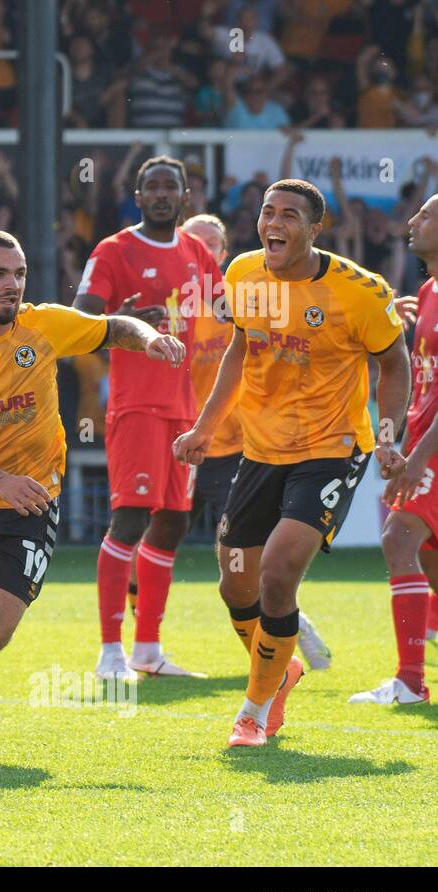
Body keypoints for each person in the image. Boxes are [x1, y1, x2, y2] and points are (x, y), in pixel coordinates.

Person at [0, 229, 186, 762]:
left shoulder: (44, 324)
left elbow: (111, 327)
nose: (13, 285)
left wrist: (148, 339)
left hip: (29, 509)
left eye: (20, 273)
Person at [174, 179, 411, 747]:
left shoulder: (359, 290)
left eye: (289, 215)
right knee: (236, 585)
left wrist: (386, 435)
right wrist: (205, 428)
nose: (273, 223)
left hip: (331, 450)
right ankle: (281, 669)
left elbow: (394, 364)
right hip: (259, 448)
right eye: (266, 212)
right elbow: (239, 348)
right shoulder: (242, 274)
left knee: (277, 573)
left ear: (314, 229)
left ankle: (254, 711)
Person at [73, 156, 220, 681]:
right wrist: (129, 318)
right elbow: (81, 314)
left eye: (171, 187)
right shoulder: (115, 249)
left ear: (185, 197)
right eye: (151, 186)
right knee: (132, 517)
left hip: (185, 410)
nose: (161, 194)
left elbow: (225, 313)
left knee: (174, 522)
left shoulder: (199, 252)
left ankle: (148, 649)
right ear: (137, 195)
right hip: (135, 405)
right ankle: (109, 651)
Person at [179, 213, 333, 669]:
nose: (202, 252)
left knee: (246, 559)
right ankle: (136, 648)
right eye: (193, 244)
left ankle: (285, 624)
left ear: (223, 254)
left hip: (239, 447)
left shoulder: (249, 299)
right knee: (151, 534)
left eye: (211, 244)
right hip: (181, 441)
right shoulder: (174, 307)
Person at [351, 191, 438, 705]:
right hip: (425, 442)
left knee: (398, 539)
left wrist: (420, 456)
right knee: (426, 558)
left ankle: (409, 682)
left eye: (426, 216)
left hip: (433, 450)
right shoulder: (428, 292)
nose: (413, 221)